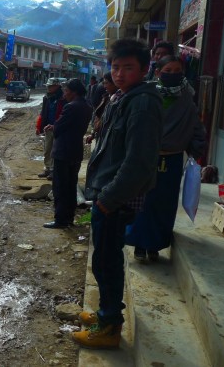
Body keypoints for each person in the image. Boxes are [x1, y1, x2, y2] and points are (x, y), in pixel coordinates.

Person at [72, 39, 163, 349]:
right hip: (108, 193)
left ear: (145, 69)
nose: (120, 74)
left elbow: (139, 162)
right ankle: (105, 313)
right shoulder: (123, 97)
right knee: (103, 260)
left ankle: (109, 326)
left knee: (107, 263)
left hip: (115, 198)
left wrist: (107, 199)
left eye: (128, 68)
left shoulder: (142, 103)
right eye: (115, 67)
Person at [126, 55, 207, 262]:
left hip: (172, 160)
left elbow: (195, 126)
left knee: (165, 203)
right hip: (145, 157)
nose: (172, 74)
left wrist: (197, 149)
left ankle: (155, 244)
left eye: (177, 71)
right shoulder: (147, 95)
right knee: (143, 202)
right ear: (157, 72)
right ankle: (139, 244)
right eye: (167, 71)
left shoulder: (187, 98)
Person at [43, 79, 93, 229]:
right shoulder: (87, 106)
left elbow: (59, 128)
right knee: (71, 186)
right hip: (75, 151)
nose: (64, 94)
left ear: (74, 92)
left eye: (66, 91)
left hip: (63, 152)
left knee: (60, 187)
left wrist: (54, 126)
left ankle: (60, 220)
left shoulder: (71, 107)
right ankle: (69, 218)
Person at [37, 77, 66, 179]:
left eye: (51, 86)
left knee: (55, 150)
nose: (48, 88)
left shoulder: (63, 98)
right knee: (47, 149)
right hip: (48, 127)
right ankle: (47, 169)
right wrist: (39, 125)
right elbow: (43, 112)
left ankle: (53, 170)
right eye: (48, 86)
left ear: (57, 86)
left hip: (58, 127)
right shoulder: (47, 98)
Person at [86, 73, 117, 144]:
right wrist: (93, 134)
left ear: (115, 83)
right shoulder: (106, 98)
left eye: (106, 83)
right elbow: (100, 117)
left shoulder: (117, 101)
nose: (104, 86)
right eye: (104, 83)